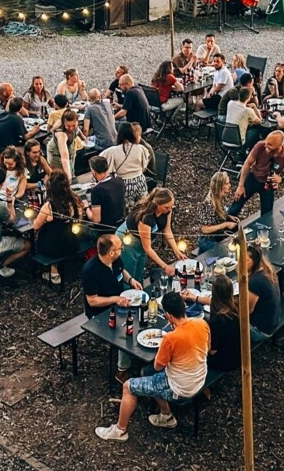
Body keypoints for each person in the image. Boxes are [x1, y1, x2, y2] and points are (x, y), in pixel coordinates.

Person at [95, 291, 209, 441]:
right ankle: (166, 416)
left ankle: (120, 430)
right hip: (200, 377)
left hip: (181, 388)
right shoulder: (202, 324)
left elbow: (157, 367)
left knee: (128, 387)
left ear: (168, 315)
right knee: (149, 376)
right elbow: (207, 347)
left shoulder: (171, 338)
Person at [82, 234, 144, 379]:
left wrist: (131, 280)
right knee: (126, 329)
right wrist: (115, 299)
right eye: (120, 248)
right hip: (100, 311)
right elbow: (92, 300)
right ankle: (122, 369)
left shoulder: (115, 260)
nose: (122, 249)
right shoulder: (90, 271)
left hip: (119, 301)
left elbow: (122, 270)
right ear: (111, 252)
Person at [117, 188, 186, 285]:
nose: (170, 209)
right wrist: (164, 266)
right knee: (130, 273)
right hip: (129, 241)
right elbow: (147, 248)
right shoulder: (146, 217)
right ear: (157, 204)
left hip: (144, 241)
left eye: (171, 206)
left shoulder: (167, 211)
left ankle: (140, 290)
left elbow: (167, 230)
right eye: (166, 207)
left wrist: (176, 251)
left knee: (140, 270)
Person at [228, 130, 284, 217]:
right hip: (253, 177)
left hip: (268, 184)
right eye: (266, 142)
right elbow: (247, 163)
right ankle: (227, 224)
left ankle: (264, 229)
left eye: (270, 145)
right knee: (236, 205)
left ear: (279, 146)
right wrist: (241, 185)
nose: (266, 145)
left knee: (267, 214)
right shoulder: (260, 145)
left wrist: (282, 179)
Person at [31, 170, 83, 284]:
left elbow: (35, 226)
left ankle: (53, 273)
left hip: (53, 248)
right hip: (73, 243)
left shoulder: (49, 206)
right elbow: (79, 220)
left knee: (48, 236)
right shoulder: (75, 201)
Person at [99, 123, 151, 207]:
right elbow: (144, 166)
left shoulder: (112, 151)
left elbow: (99, 159)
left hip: (123, 183)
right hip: (140, 180)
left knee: (125, 208)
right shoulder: (141, 148)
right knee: (142, 206)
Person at [197, 171, 238, 253]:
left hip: (218, 237)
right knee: (229, 251)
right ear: (219, 187)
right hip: (207, 241)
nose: (230, 186)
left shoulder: (220, 198)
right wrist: (226, 224)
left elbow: (219, 215)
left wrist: (229, 217)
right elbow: (205, 229)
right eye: (226, 184)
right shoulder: (208, 204)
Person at [85, 156, 126, 229]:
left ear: (94, 172)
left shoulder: (96, 190)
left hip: (105, 229)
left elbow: (96, 220)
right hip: (121, 225)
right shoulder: (119, 181)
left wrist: (86, 207)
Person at [47, 109, 84, 182]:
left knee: (70, 170)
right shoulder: (61, 134)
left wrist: (84, 138)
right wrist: (68, 177)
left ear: (77, 121)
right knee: (59, 178)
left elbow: (77, 130)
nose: (71, 128)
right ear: (63, 123)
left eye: (73, 125)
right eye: (68, 126)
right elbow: (64, 158)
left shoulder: (75, 125)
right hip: (56, 154)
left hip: (70, 149)